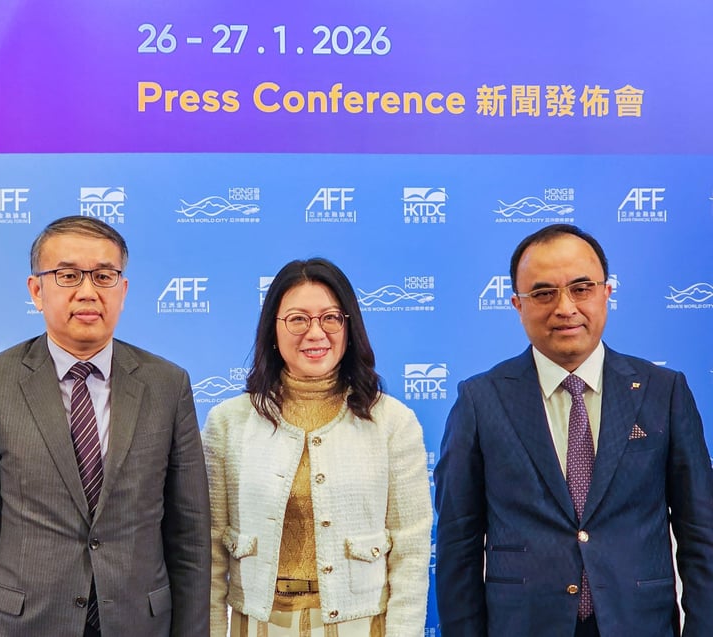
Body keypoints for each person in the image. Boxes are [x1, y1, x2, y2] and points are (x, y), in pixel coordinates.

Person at [435, 224, 713, 637]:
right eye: (544, 293)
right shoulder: (481, 400)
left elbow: (701, 534)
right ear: (517, 304)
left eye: (581, 288)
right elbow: (458, 547)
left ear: (606, 293)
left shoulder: (663, 391)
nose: (565, 307)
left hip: (639, 623)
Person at [0, 215, 210, 637]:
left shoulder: (167, 384)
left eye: (104, 276)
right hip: (24, 623)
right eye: (68, 275)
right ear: (36, 290)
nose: (88, 291)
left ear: (123, 291)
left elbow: (190, 537)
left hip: (138, 623)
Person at [203, 258, 432, 637]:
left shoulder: (392, 422)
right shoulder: (228, 422)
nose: (315, 333)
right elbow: (209, 553)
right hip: (258, 623)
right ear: (273, 329)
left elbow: (411, 551)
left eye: (330, 318)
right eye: (297, 319)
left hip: (360, 624)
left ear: (349, 326)